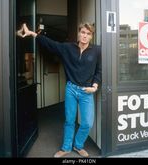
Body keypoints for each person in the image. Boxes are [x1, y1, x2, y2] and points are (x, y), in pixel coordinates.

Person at [18, 22, 102, 157]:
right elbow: (50, 44)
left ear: (91, 36)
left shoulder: (97, 50)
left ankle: (78, 145)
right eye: (83, 32)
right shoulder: (68, 48)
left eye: (88, 34)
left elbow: (99, 70)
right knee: (69, 120)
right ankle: (66, 148)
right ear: (79, 33)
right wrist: (32, 34)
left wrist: (95, 86)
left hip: (86, 92)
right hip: (71, 89)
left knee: (87, 123)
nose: (85, 36)